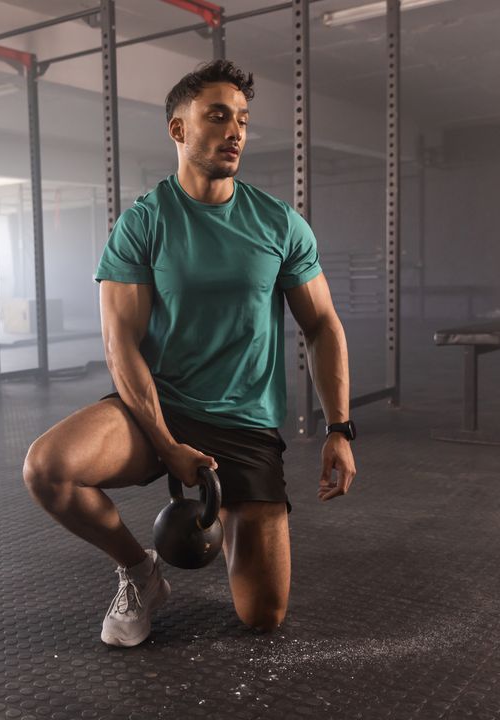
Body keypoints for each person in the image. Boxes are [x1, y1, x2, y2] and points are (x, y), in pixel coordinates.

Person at [22, 59, 357, 648]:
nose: (235, 131)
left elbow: (323, 324)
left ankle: (235, 509)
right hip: (158, 405)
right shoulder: (143, 224)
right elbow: (119, 342)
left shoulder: (278, 223)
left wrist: (340, 428)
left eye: (244, 120)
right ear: (178, 130)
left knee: (263, 616)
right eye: (218, 116)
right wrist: (166, 442)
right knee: (48, 467)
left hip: (244, 423)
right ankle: (138, 569)